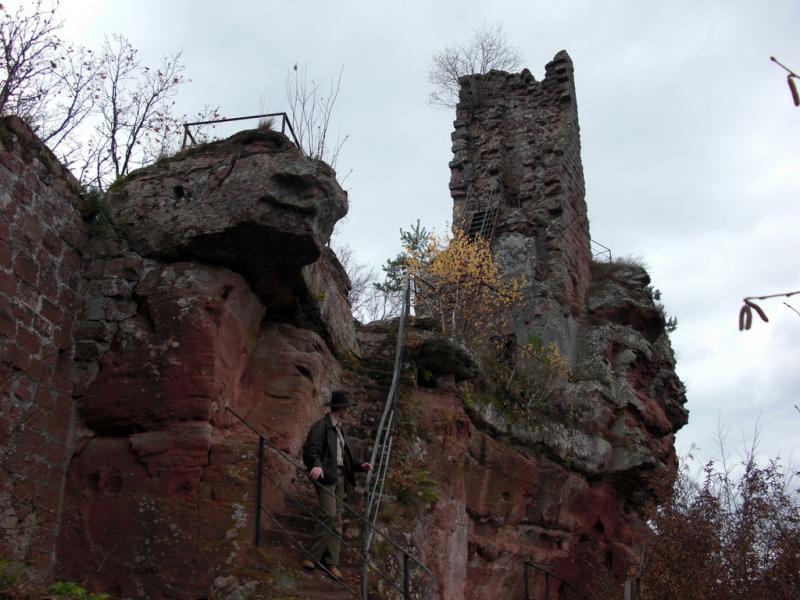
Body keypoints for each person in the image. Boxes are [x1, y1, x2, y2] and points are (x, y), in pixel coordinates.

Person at [301, 390, 371, 580]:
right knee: (329, 514)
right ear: (340, 407)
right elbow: (310, 451)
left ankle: (332, 562)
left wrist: (359, 466)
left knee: (337, 520)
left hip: (340, 478)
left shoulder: (340, 429)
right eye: (347, 406)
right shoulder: (321, 427)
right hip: (326, 477)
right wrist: (315, 465)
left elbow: (344, 457)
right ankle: (311, 557)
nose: (349, 410)